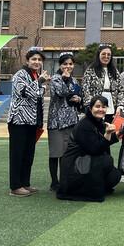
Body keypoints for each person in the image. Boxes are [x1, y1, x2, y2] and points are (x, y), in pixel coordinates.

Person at [56, 95, 121, 202]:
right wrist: (108, 134)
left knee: (114, 174)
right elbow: (95, 149)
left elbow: (101, 144)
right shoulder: (84, 125)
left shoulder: (99, 122)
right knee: (106, 161)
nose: (101, 109)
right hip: (74, 167)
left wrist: (117, 134)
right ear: (90, 108)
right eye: (97, 106)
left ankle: (95, 186)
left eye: (104, 107)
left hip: (86, 161)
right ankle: (87, 189)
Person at [7, 48, 50, 197]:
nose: (37, 62)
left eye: (39, 60)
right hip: (19, 120)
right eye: (34, 59)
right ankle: (15, 186)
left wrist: (40, 84)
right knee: (17, 154)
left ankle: (25, 183)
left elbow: (39, 94)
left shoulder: (35, 75)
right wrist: (40, 82)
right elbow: (25, 92)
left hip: (32, 121)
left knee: (28, 155)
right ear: (27, 61)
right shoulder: (20, 75)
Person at [47, 52, 82, 191]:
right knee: (56, 153)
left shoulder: (75, 80)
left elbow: (78, 95)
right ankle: (54, 182)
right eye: (65, 64)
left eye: (70, 64)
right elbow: (61, 92)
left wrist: (79, 99)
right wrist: (65, 80)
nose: (68, 66)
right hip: (57, 122)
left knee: (67, 153)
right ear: (60, 65)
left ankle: (65, 179)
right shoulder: (55, 78)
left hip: (71, 121)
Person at [81, 44, 123, 119]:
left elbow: (121, 89)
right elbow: (85, 89)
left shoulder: (115, 71)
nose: (106, 56)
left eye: (109, 54)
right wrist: (91, 105)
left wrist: (120, 106)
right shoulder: (90, 70)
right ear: (98, 55)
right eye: (103, 54)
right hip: (95, 107)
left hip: (112, 106)